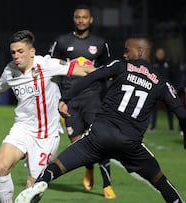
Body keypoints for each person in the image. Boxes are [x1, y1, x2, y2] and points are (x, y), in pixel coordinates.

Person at [15, 35, 186, 203]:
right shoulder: (161, 82)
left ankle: (40, 184)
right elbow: (181, 113)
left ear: (140, 51)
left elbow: (92, 77)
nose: (124, 54)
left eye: (127, 50)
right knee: (160, 180)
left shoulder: (121, 66)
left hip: (99, 136)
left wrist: (66, 98)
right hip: (130, 144)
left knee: (58, 166)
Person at [0, 30, 95, 203]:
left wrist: (114, 74)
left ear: (32, 52)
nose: (16, 56)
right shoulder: (10, 71)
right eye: (13, 52)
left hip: (46, 135)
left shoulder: (46, 65)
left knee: (32, 188)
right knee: (2, 166)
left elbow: (83, 70)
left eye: (20, 51)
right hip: (22, 128)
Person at [48, 3, 116, 198]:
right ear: (74, 19)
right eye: (78, 17)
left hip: (94, 99)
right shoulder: (61, 41)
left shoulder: (101, 43)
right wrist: (57, 99)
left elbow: (109, 70)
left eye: (84, 17)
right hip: (70, 100)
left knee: (100, 140)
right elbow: (50, 67)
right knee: (79, 144)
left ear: (91, 19)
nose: (81, 20)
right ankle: (89, 166)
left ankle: (107, 185)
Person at [149, 47, 175, 132]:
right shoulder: (152, 63)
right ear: (156, 54)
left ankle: (171, 127)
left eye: (162, 53)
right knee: (153, 108)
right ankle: (153, 126)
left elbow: (173, 75)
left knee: (169, 108)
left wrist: (173, 86)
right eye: (159, 53)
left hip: (166, 88)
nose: (160, 55)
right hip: (155, 89)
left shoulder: (168, 63)